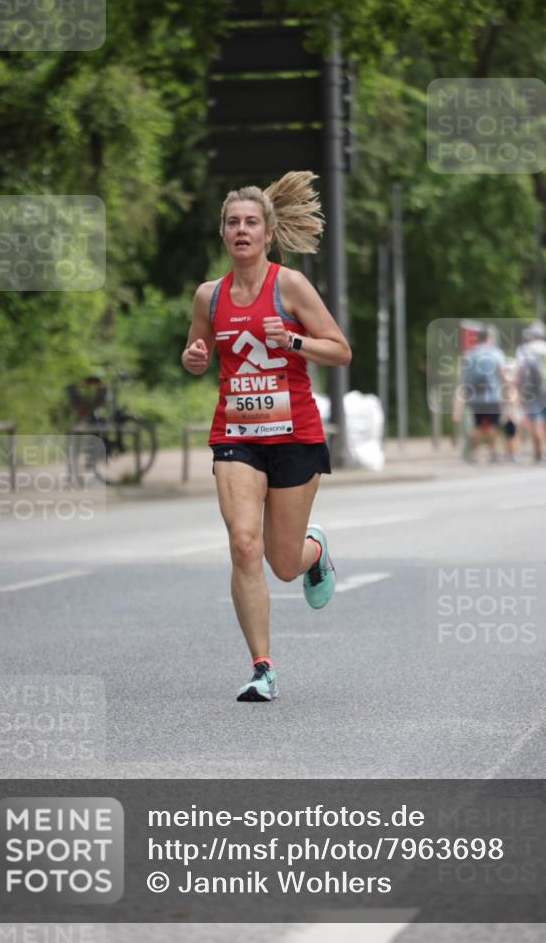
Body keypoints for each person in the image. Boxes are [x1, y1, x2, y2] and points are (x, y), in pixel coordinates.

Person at [181, 172, 352, 702]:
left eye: (251, 222)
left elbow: (340, 350)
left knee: (281, 563)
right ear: (223, 234)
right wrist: (193, 359)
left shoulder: (291, 286)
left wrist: (295, 339)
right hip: (236, 435)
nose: (241, 230)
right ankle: (262, 667)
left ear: (268, 234)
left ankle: (313, 549)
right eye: (233, 222)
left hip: (295, 434)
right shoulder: (209, 296)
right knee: (243, 543)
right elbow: (196, 355)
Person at [515, 319, 546, 464]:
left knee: (535, 421)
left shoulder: (524, 350)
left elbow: (519, 373)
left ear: (531, 335)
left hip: (532, 391)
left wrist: (518, 392)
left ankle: (538, 453)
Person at [461, 327, 505, 462]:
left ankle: (474, 455)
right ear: (489, 338)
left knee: (477, 426)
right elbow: (501, 374)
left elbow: (464, 377)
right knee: (492, 425)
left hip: (475, 397)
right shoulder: (495, 353)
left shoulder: (469, 354)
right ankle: (493, 454)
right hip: (492, 396)